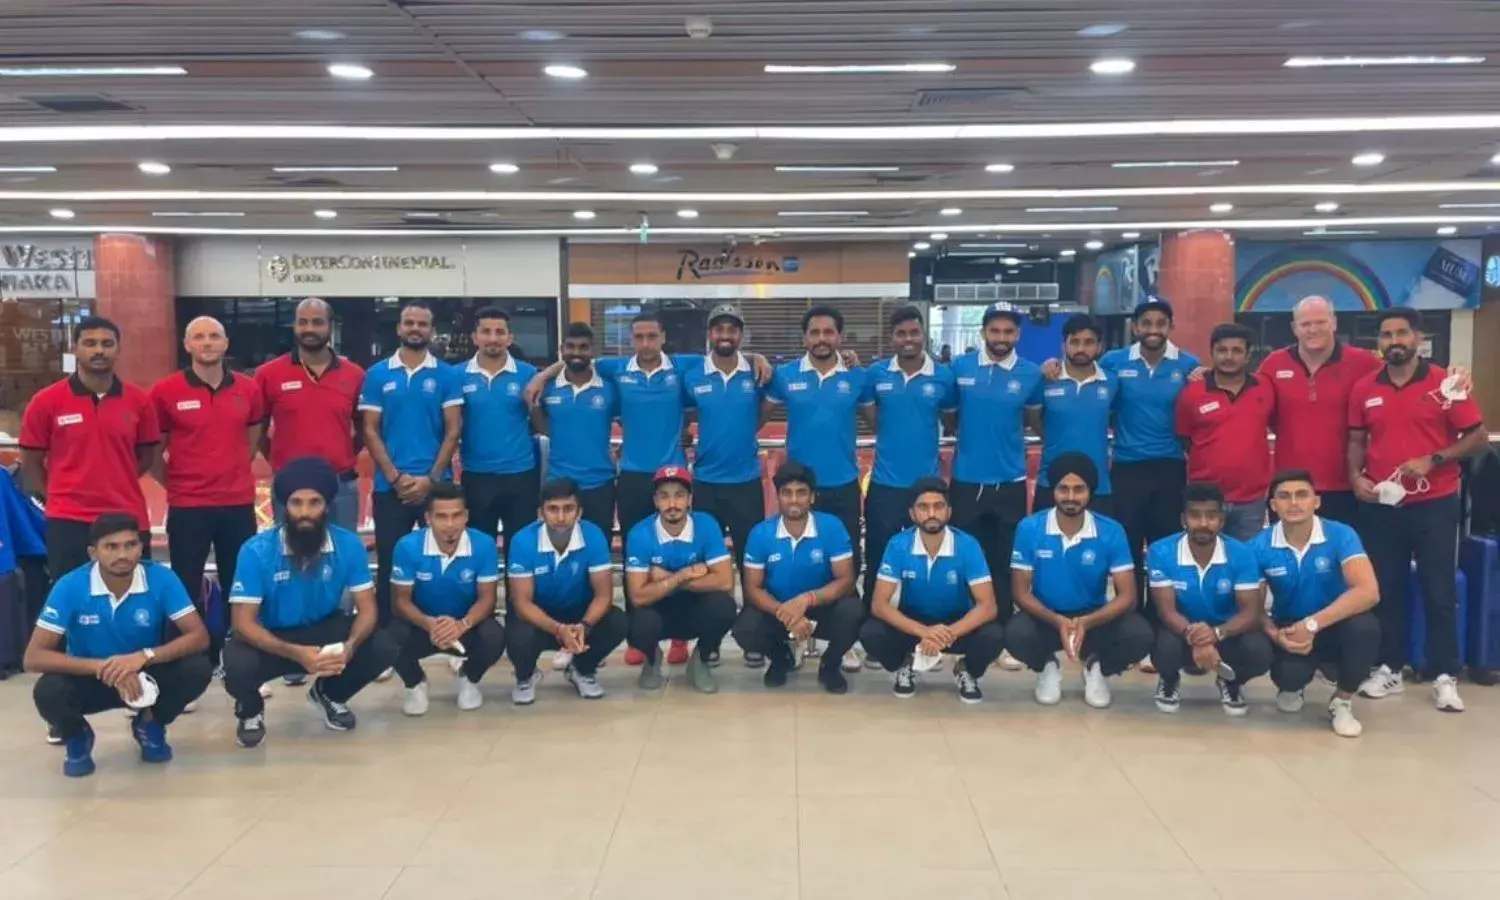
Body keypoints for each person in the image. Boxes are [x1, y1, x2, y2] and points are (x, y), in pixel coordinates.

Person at [1348, 307, 1487, 711]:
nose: (1394, 341)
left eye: (1401, 333)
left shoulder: (1446, 382)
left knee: (1438, 589)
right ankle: (1389, 667)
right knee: (1385, 589)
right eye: (1386, 335)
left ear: (1417, 338)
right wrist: (1355, 477)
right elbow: (1356, 440)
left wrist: (1434, 459)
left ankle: (1445, 675)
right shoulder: (1365, 387)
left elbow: (1476, 435)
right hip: (1383, 505)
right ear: (1379, 342)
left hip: (1435, 503)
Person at [222, 457, 400, 748]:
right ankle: (250, 712)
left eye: (314, 503)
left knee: (384, 645)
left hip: (323, 630)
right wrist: (296, 653)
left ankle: (329, 694)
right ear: (284, 506)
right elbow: (242, 624)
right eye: (296, 503)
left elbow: (368, 610)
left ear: (327, 506)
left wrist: (349, 646)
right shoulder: (255, 551)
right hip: (271, 637)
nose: (305, 512)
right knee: (236, 664)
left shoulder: (349, 545)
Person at [25, 514, 211, 777]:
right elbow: (34, 657)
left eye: (130, 545)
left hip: (144, 675)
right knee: (48, 691)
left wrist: (144, 657)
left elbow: (199, 636)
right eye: (111, 547)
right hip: (91, 676)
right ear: (93, 553)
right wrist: (105, 667)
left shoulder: (162, 578)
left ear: (141, 548)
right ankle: (77, 736)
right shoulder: (70, 585)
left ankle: (150, 723)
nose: (122, 554)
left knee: (197, 668)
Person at [150, 316, 264, 673]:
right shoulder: (165, 391)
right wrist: (178, 484)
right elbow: (153, 453)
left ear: (226, 343)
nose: (207, 342)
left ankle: (237, 658)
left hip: (237, 503)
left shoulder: (249, 389)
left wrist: (230, 472)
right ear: (187, 345)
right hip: (188, 506)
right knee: (185, 585)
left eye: (214, 336)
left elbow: (252, 440)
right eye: (199, 337)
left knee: (239, 585)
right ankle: (190, 662)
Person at [767, 306, 869, 671]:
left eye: (829, 332)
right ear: (804, 337)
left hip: (843, 486)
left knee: (844, 566)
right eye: (815, 332)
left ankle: (843, 641)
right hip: (799, 491)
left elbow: (877, 419)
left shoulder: (857, 376)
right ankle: (795, 633)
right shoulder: (785, 376)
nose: (822, 338)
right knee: (797, 565)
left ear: (839, 336)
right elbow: (757, 414)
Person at [1007, 453, 1152, 707]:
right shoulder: (1030, 528)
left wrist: (1086, 622)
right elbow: (1020, 592)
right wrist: (1057, 620)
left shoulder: (1111, 530)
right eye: (1063, 489)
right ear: (1053, 490)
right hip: (1046, 617)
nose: (1071, 497)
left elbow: (1128, 596)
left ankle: (1097, 667)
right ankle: (1047, 666)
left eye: (1079, 489)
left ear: (1090, 491)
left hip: (1094, 618)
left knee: (1139, 634)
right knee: (1014, 633)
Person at [20, 316, 160, 578]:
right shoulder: (45, 401)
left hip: (127, 516)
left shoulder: (139, 401)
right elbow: (31, 461)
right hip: (68, 520)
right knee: (71, 593)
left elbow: (146, 457)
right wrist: (57, 494)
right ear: (74, 348)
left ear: (118, 349)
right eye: (90, 343)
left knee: (136, 592)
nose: (99, 350)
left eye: (107, 344)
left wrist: (114, 479)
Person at [948, 302, 1044, 670]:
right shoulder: (960, 368)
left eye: (1008, 331)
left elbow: (1035, 420)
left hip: (1010, 482)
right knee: (963, 562)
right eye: (995, 330)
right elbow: (950, 417)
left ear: (1017, 334)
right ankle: (958, 635)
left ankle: (1002, 636)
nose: (1001, 338)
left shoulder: (1032, 374)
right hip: (966, 482)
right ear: (983, 332)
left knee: (1004, 563)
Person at [1252, 469, 1381, 738]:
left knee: (1365, 628)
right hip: (1290, 626)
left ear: (1316, 502)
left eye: (1302, 495)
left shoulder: (1341, 534)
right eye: (1284, 496)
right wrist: (1276, 636)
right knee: (1289, 676)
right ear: (1273, 505)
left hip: (1335, 622)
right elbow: (1252, 606)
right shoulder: (1258, 545)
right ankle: (1293, 685)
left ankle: (1342, 701)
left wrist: (1312, 625)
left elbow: (1368, 592)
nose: (1294, 503)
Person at [359, 301, 465, 625]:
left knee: (446, 560)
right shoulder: (377, 374)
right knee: (391, 564)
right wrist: (395, 477)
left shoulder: (447, 374)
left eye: (422, 323)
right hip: (390, 487)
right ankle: (388, 636)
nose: (415, 328)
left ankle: (448, 630)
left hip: (437, 488)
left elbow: (453, 430)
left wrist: (430, 479)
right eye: (409, 323)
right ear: (399, 328)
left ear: (431, 330)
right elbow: (370, 430)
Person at [858, 476, 1004, 702]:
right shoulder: (898, 545)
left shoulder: (968, 545)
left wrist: (946, 634)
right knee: (871, 632)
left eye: (938, 506)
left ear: (949, 511)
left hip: (956, 625)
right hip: (913, 623)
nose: (932, 513)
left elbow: (988, 606)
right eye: (923, 507)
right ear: (912, 514)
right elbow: (879, 605)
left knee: (994, 635)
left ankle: (967, 670)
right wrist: (924, 632)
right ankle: (903, 665)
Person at [681, 304, 770, 666]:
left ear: (740, 335)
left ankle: (752, 637)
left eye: (732, 330)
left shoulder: (757, 373)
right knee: (708, 566)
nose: (725, 336)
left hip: (746, 483)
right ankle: (710, 640)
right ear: (709, 334)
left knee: (751, 563)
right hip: (705, 483)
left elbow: (763, 413)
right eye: (719, 329)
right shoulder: (693, 375)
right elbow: (680, 412)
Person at [1099, 298, 1201, 605]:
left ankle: (1162, 616)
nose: (1153, 329)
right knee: (1127, 545)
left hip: (1170, 467)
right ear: (1135, 327)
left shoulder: (1189, 364)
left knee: (1164, 545)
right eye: (1146, 323)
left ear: (1171, 326)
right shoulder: (1113, 362)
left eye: (1160, 323)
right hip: (1127, 468)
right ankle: (1129, 615)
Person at [858, 306, 958, 610]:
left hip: (927, 487)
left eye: (914, 332)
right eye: (901, 333)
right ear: (892, 338)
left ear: (924, 335)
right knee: (877, 558)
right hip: (885, 486)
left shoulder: (944, 377)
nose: (908, 339)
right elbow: (873, 419)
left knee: (928, 558)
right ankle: (873, 622)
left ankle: (925, 619)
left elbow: (951, 420)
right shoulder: (876, 374)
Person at [732, 462, 862, 693]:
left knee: (854, 611)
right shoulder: (760, 533)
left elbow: (845, 580)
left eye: (801, 493)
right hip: (778, 608)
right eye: (787, 493)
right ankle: (781, 659)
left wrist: (806, 601)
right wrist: (785, 613)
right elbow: (752, 588)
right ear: (778, 497)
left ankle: (830, 665)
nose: (794, 500)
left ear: (812, 497)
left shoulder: (832, 527)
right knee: (745, 628)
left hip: (822, 605)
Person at [1146, 482, 1273, 716]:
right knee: (1163, 649)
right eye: (1195, 516)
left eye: (1211, 516)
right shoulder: (1161, 551)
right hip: (1182, 631)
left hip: (1226, 632)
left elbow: (1250, 611)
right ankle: (1169, 679)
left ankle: (1231, 680)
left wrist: (1215, 634)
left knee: (1259, 652)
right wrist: (1196, 637)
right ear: (1183, 519)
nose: (1203, 523)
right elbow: (1166, 611)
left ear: (1222, 521)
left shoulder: (1242, 553)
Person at [386, 482, 507, 715]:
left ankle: (469, 678)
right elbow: (400, 602)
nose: (450, 525)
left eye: (456, 516)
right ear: (428, 518)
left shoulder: (484, 544)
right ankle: (415, 683)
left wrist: (461, 625)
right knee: (389, 636)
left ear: (466, 516)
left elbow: (487, 599)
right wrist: (430, 624)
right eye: (441, 516)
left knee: (495, 635)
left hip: (466, 626)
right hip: (423, 627)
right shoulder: (407, 547)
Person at [505, 478, 628, 703]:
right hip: (540, 616)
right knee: (517, 631)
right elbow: (522, 603)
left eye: (568, 509)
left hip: (578, 614)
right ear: (540, 513)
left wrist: (585, 625)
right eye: (553, 509)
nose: (561, 517)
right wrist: (558, 629)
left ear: (579, 512)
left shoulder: (593, 535)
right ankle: (525, 676)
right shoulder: (522, 541)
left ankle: (581, 670)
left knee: (617, 621)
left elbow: (603, 596)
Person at [254, 297, 367, 530]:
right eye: (303, 322)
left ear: (331, 326)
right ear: (294, 326)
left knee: (342, 550)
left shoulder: (355, 375)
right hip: (289, 485)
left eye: (317, 322)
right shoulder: (268, 374)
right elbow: (257, 429)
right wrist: (280, 460)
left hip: (340, 485)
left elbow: (365, 427)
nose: (309, 329)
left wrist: (340, 453)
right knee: (290, 550)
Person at [623, 466, 737, 693]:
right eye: (664, 496)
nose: (672, 504)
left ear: (690, 499)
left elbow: (725, 581)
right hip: (658, 609)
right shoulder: (639, 533)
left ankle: (700, 661)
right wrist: (684, 575)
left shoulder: (706, 525)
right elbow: (638, 595)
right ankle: (652, 660)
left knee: (724, 607)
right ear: (656, 501)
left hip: (694, 607)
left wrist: (669, 579)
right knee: (637, 621)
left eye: (679, 495)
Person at [1174, 323, 1276, 541]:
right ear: (1211, 353)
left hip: (1251, 500)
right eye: (1222, 350)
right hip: (1205, 499)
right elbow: (1185, 438)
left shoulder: (1266, 388)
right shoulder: (1191, 394)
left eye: (1236, 350)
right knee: (1206, 555)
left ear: (1248, 356)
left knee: (1247, 558)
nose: (1229, 357)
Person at [457, 307, 540, 566]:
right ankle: (486, 595)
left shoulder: (529, 374)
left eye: (499, 332)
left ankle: (518, 595)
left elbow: (541, 423)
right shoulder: (456, 375)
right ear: (475, 337)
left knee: (522, 552)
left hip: (521, 475)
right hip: (477, 475)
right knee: (480, 552)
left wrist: (541, 384)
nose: (493, 338)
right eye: (486, 331)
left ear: (510, 338)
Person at [529, 323, 620, 538]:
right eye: (570, 346)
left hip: (600, 483)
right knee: (559, 545)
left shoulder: (610, 387)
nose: (576, 352)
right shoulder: (546, 387)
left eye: (583, 347)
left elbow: (631, 423)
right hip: (559, 483)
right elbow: (541, 426)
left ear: (592, 350)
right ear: (562, 349)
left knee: (599, 545)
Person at [1031, 314, 1117, 516]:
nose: (1081, 348)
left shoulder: (1112, 382)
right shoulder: (1045, 379)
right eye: (1075, 342)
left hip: (1098, 485)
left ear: (1099, 347)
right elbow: (1033, 419)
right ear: (1064, 346)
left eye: (1088, 342)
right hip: (1051, 481)